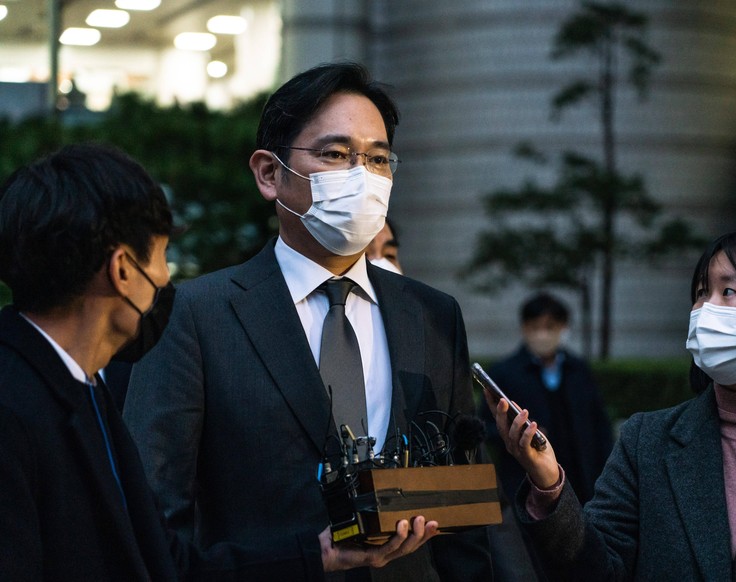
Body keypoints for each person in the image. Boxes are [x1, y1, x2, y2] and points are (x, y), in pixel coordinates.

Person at [123, 62, 491, 580]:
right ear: (270, 174)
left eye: (379, 158)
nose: (362, 176)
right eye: (337, 154)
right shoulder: (195, 314)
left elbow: (462, 510)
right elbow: (155, 513)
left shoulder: (433, 314)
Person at [0, 144, 436, 580]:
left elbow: (169, 564)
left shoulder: (83, 391)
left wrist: (317, 554)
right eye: (161, 255)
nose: (167, 279)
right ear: (123, 270)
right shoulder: (16, 404)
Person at [483, 225, 736, 580]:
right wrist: (549, 483)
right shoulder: (646, 442)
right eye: (701, 292)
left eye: (728, 292)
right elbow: (597, 570)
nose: (704, 310)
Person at [481, 292, 612, 505]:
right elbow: (486, 426)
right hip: (524, 482)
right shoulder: (505, 372)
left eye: (550, 327)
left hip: (581, 479)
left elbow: (599, 424)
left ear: (563, 327)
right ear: (524, 328)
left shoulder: (578, 369)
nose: (542, 334)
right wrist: (522, 434)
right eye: (535, 327)